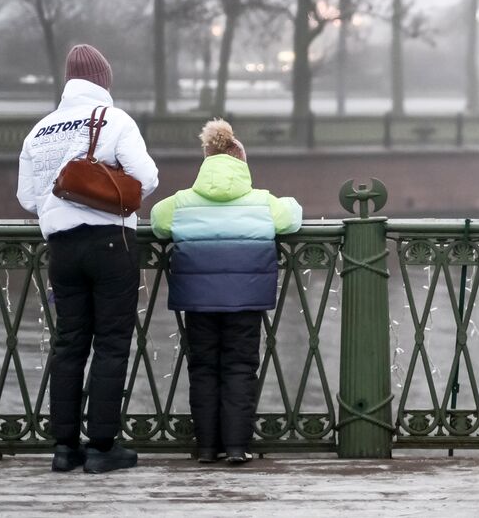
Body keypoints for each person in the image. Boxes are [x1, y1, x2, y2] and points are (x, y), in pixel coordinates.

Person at [17, 44, 159, 474]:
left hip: (61, 249)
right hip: (110, 244)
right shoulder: (114, 119)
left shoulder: (40, 130)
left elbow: (27, 198)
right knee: (112, 343)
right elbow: (147, 179)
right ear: (103, 79)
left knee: (68, 342)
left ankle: (64, 447)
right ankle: (102, 446)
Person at [149, 119, 301, 464]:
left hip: (198, 301)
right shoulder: (262, 202)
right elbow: (291, 217)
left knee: (202, 368)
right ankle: (236, 446)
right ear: (241, 162)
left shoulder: (182, 203)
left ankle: (206, 447)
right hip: (245, 300)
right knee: (240, 368)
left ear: (205, 161)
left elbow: (157, 221)